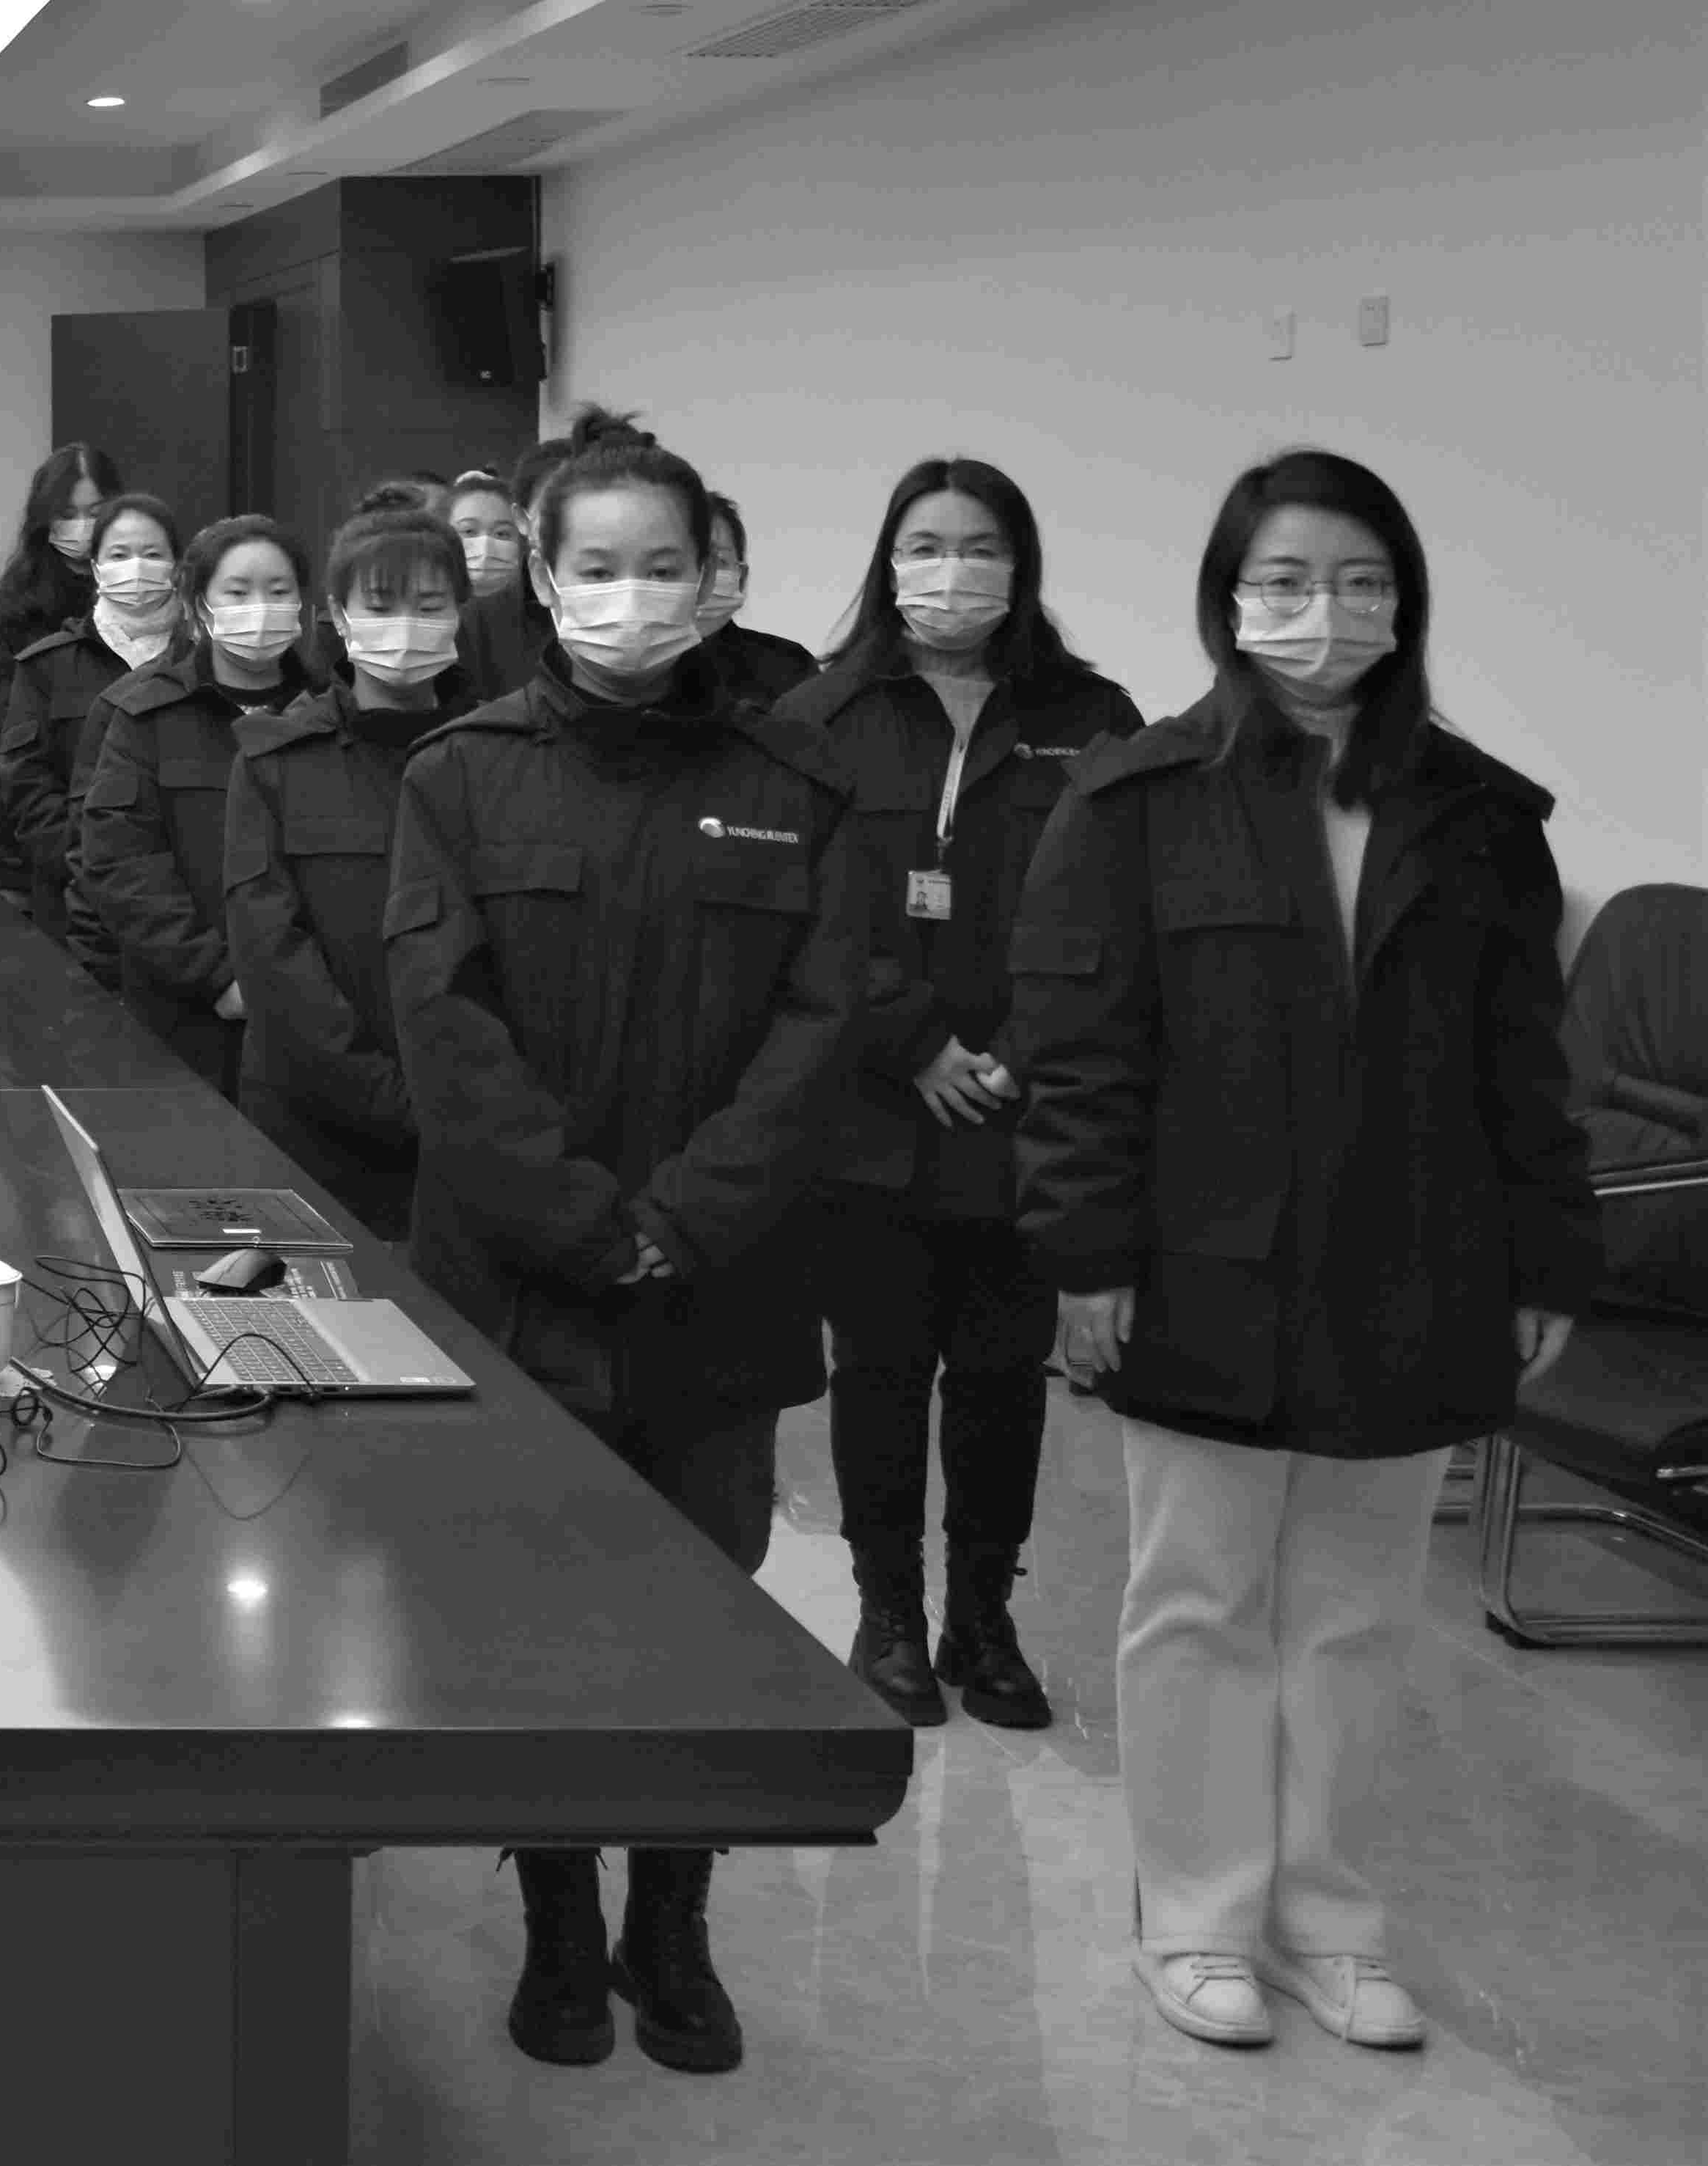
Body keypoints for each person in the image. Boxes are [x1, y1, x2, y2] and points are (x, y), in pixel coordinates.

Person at [1009, 448, 1596, 2057]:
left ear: (1404, 603)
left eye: (1357, 581)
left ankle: (1330, 1918)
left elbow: (1525, 1060)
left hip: (1416, 1259)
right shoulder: (1136, 799)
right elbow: (1079, 1048)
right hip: (1202, 1260)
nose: (1321, 612)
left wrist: (1548, 1253)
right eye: (1282, 581)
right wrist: (1084, 1252)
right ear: (1228, 600)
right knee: (1197, 1595)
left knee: (1355, 1613)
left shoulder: (1479, 816)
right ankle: (1197, 1914)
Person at [385, 405, 863, 2081]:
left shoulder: (797, 789)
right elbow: (445, 1032)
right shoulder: (460, 777)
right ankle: (559, 1919)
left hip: (719, 1287)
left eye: (663, 565)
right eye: (597, 565)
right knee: (537, 1615)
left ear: (714, 576)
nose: (631, 596)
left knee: (703, 1615)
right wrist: (590, 1226)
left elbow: (820, 1035)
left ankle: (676, 1919)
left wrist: (681, 1225)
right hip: (519, 1281)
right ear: (541, 575)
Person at [775, 457, 1142, 1731]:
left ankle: (984, 1619)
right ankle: (888, 1612)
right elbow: (806, 909)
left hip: (1023, 1113)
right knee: (879, 1369)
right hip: (873, 1108)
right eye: (927, 546)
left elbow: (1119, 906)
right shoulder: (822, 713)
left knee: (1001, 1379)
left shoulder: (1091, 715)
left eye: (980, 547)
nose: (953, 571)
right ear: (888, 563)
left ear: (1021, 565)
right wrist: (915, 1041)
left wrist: (1023, 1049)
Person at [216, 503, 479, 1238]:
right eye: (381, 606)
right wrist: (397, 1103)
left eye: (429, 605)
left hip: (478, 1136)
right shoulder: (275, 758)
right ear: (337, 614)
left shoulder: (503, 753)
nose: (405, 627)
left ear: (460, 613)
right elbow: (273, 956)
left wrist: (467, 1111)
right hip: (311, 1127)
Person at [76, 513, 321, 1094]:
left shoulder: (328, 714)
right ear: (198, 605)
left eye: (278, 591)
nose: (259, 609)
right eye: (237, 592)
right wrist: (214, 977)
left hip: (318, 1026)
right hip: (180, 1020)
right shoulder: (145, 715)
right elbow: (121, 863)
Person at [0, 492, 182, 985]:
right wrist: (92, 867)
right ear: (96, 568)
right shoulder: (47, 665)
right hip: (72, 909)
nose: (136, 567)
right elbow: (27, 787)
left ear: (178, 567)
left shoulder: (200, 664)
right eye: (119, 554)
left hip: (184, 913)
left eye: (153, 553)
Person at [0, 443, 123, 889]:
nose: (83, 527)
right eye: (67, 513)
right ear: (44, 519)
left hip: (125, 841)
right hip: (26, 850)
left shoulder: (141, 598)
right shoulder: (5, 611)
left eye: (96, 512)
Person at [693, 493, 819, 707]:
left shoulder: (789, 667)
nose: (702, 575)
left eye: (718, 560)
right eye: (679, 561)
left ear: (740, 578)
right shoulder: (631, 673)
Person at [444, 466, 548, 700]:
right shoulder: (435, 625)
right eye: (469, 531)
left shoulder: (546, 621)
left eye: (502, 534)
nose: (486, 545)